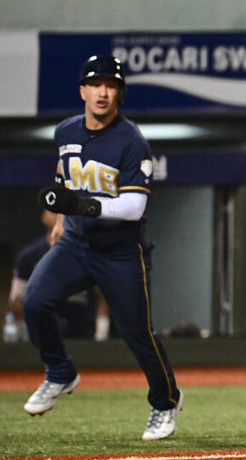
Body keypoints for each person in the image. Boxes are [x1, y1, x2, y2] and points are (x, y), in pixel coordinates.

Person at [23, 55, 183, 440]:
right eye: (96, 84)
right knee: (34, 301)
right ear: (83, 90)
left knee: (136, 332)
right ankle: (60, 371)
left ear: (119, 94)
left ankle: (165, 402)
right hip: (77, 243)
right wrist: (62, 220)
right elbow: (64, 179)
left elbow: (133, 207)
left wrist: (81, 206)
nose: (103, 92)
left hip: (122, 252)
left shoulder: (131, 142)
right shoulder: (65, 132)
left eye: (111, 85)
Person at [9, 210, 107, 340]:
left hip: (82, 330)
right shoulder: (29, 256)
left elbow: (102, 297)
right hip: (44, 329)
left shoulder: (88, 253)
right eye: (53, 210)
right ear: (44, 215)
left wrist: (102, 332)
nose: (58, 215)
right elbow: (16, 301)